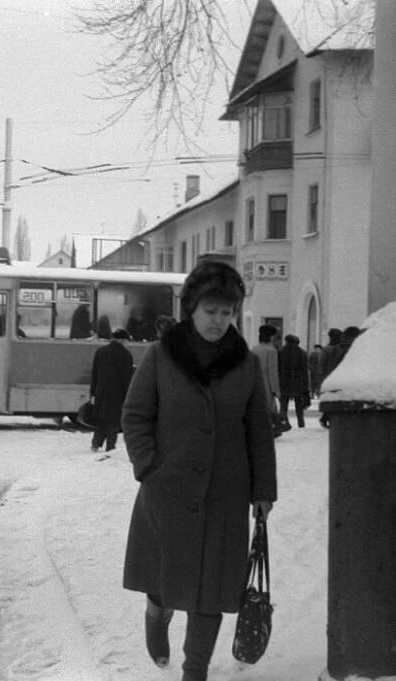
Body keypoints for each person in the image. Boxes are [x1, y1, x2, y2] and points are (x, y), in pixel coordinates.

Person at [122, 261, 276, 681]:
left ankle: (196, 669)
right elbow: (135, 416)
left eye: (227, 312)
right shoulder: (160, 355)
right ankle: (157, 613)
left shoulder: (245, 364)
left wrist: (264, 491)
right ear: (192, 307)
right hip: (167, 490)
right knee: (164, 577)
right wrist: (149, 466)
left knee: (213, 588)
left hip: (226, 493)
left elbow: (259, 431)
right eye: (211, 311)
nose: (219, 320)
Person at [89, 327, 134, 453]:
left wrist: (93, 392)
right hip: (118, 393)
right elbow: (127, 378)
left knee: (102, 420)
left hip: (102, 392)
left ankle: (95, 444)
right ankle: (110, 447)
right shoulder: (126, 355)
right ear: (122, 340)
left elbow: (95, 374)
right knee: (114, 422)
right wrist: (128, 395)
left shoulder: (101, 352)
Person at [251, 324, 284, 436]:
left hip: (254, 382)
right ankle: (272, 429)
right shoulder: (271, 350)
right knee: (270, 408)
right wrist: (276, 390)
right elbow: (272, 371)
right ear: (270, 337)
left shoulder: (254, 349)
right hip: (266, 384)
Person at [278, 333, 310, 428]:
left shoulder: (281, 352)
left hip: (284, 380)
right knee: (299, 403)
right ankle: (301, 422)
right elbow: (305, 370)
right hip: (298, 380)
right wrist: (306, 385)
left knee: (283, 403)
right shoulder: (302, 353)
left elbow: (278, 368)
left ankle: (284, 421)